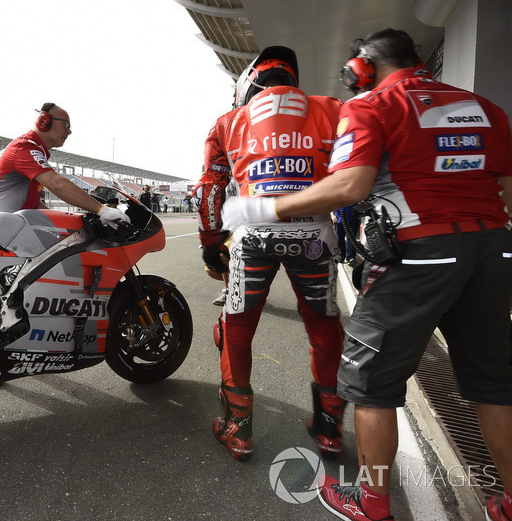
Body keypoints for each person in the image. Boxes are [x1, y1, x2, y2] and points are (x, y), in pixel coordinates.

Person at [222, 28, 512, 521]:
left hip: (420, 252)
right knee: (494, 385)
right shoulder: (484, 107)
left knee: (370, 383)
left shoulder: (372, 105)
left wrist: (264, 208)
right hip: (495, 249)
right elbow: (506, 186)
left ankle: (372, 501)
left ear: (362, 68)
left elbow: (351, 185)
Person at [196, 45, 345, 463]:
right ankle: (329, 430)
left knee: (238, 328)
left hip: (253, 234)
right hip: (315, 234)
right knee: (323, 328)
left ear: (248, 82)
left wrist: (211, 248)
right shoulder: (333, 108)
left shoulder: (228, 121)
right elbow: (358, 172)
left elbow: (208, 192)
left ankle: (238, 430)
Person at [0, 103, 128, 233]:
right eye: (65, 125)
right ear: (44, 122)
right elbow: (57, 184)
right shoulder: (25, 147)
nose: (69, 131)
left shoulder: (36, 150)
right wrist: (101, 210)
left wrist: (65, 219)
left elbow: (32, 201)